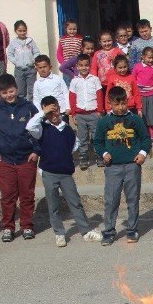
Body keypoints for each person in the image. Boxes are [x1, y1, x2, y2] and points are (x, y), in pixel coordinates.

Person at [26, 95, 102, 247]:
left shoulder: (67, 130)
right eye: (49, 113)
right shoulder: (43, 129)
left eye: (55, 111)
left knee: (75, 202)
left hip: (66, 173)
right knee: (53, 205)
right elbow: (29, 127)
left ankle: (85, 231)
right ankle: (59, 233)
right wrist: (43, 113)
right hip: (49, 173)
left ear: (60, 109)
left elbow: (74, 146)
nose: (53, 115)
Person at [0, 73, 40, 242]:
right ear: (0, 94)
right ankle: (8, 227)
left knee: (26, 194)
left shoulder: (29, 107)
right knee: (8, 195)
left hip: (26, 158)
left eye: (11, 91)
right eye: (4, 93)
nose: (8, 95)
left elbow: (39, 128)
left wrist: (36, 151)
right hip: (4, 160)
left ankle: (27, 226)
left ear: (16, 89)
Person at [95, 87, 150, 246]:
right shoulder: (104, 121)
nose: (121, 107)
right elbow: (98, 142)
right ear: (110, 103)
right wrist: (104, 153)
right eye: (117, 104)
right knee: (111, 200)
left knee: (132, 198)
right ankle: (109, 231)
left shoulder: (135, 120)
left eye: (123, 103)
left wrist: (142, 154)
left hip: (132, 166)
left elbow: (145, 139)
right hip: (113, 167)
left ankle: (132, 229)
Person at [68, 55, 104, 170]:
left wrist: (100, 110)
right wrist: (73, 114)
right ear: (77, 66)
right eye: (81, 65)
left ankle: (99, 155)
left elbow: (99, 95)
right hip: (80, 114)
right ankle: (83, 156)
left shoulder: (94, 79)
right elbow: (72, 98)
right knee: (82, 137)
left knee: (96, 135)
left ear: (90, 65)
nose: (84, 68)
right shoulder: (74, 81)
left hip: (94, 112)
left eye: (86, 65)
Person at [133, 47, 153, 139]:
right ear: (143, 57)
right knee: (143, 114)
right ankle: (143, 133)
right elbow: (133, 80)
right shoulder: (138, 67)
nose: (151, 60)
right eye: (149, 58)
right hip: (141, 95)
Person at [8, 20, 40, 101]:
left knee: (32, 90)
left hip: (31, 69)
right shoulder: (13, 43)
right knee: (20, 91)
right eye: (20, 31)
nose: (22, 33)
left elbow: (36, 52)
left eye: (24, 30)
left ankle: (32, 108)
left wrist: (33, 60)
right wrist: (16, 62)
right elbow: (10, 55)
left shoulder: (30, 41)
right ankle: (22, 107)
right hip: (19, 70)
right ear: (15, 31)